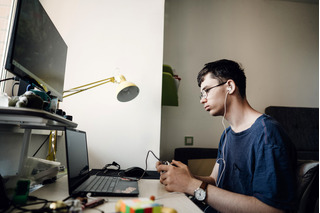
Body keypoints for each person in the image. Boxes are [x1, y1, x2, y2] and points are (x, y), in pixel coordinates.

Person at [156, 59, 297, 213]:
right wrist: (188, 177)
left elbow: (272, 209)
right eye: (201, 94)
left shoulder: (267, 134)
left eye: (207, 90)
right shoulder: (227, 134)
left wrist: (191, 185)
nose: (203, 99)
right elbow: (215, 181)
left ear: (230, 86)